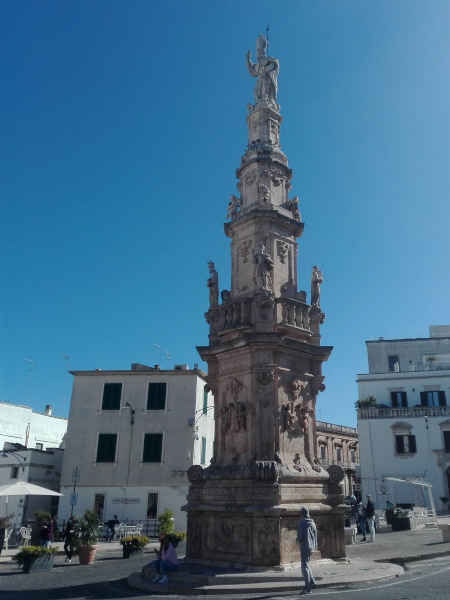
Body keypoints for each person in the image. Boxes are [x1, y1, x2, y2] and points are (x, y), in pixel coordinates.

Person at [297, 507, 317, 595]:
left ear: (302, 514)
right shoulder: (312, 522)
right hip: (312, 546)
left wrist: (297, 539)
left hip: (305, 546)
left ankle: (308, 587)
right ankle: (312, 581)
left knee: (304, 566)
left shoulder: (302, 522)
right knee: (307, 564)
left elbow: (300, 537)